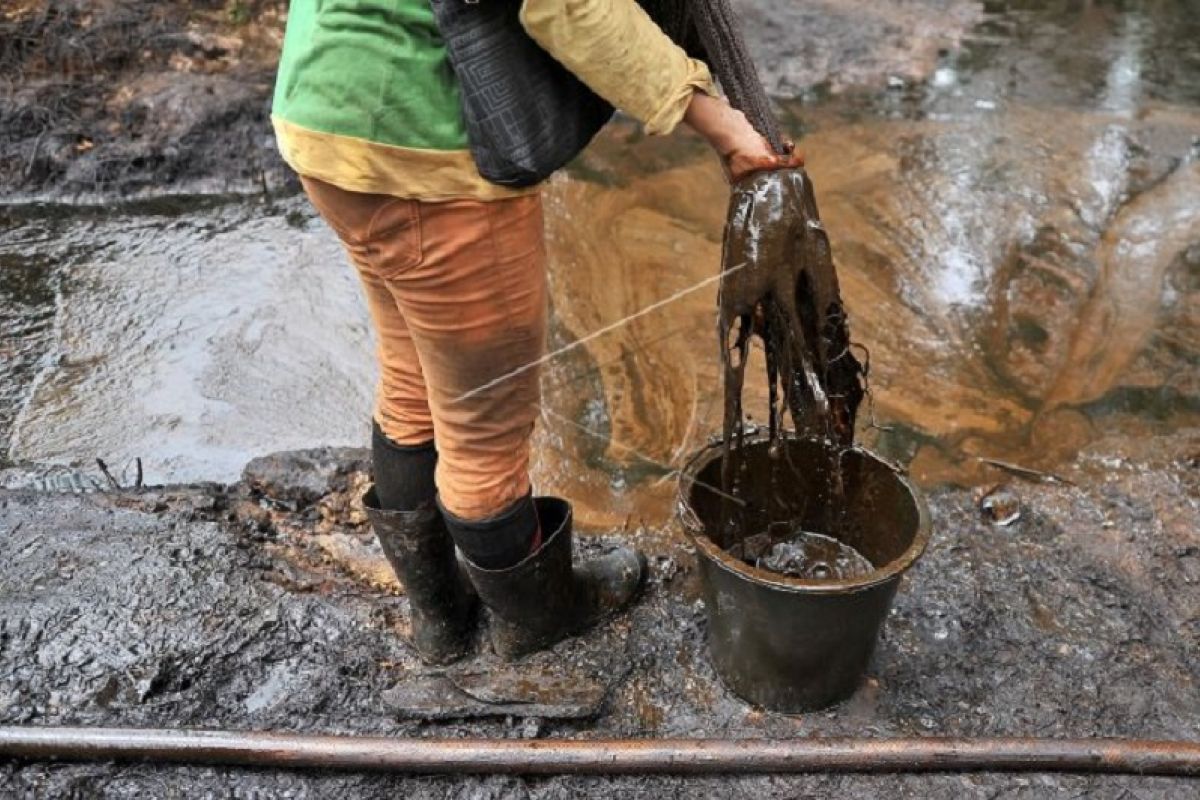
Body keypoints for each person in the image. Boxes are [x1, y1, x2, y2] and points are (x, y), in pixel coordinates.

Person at [271, 0, 801, 665]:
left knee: (414, 381)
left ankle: (441, 621)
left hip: (327, 112)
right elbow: (567, 6)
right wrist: (721, 125)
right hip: (425, 142)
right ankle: (540, 620)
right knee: (484, 431)